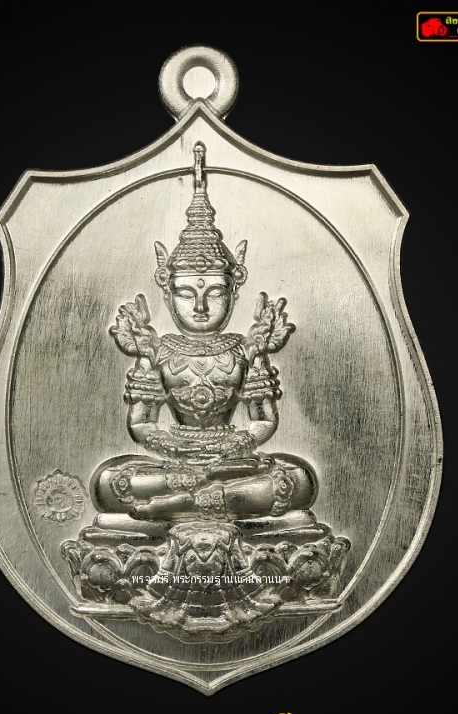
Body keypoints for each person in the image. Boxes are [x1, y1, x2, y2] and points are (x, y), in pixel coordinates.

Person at [91, 142, 317, 528]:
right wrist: (176, 448)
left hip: (233, 460)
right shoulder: (157, 351)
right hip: (173, 462)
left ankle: (180, 502)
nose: (200, 306)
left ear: (233, 293)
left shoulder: (247, 350)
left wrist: (233, 445)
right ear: (167, 293)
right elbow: (141, 424)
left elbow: (263, 421)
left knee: (297, 479)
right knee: (110, 481)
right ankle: (203, 495)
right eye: (186, 293)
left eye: (214, 293)